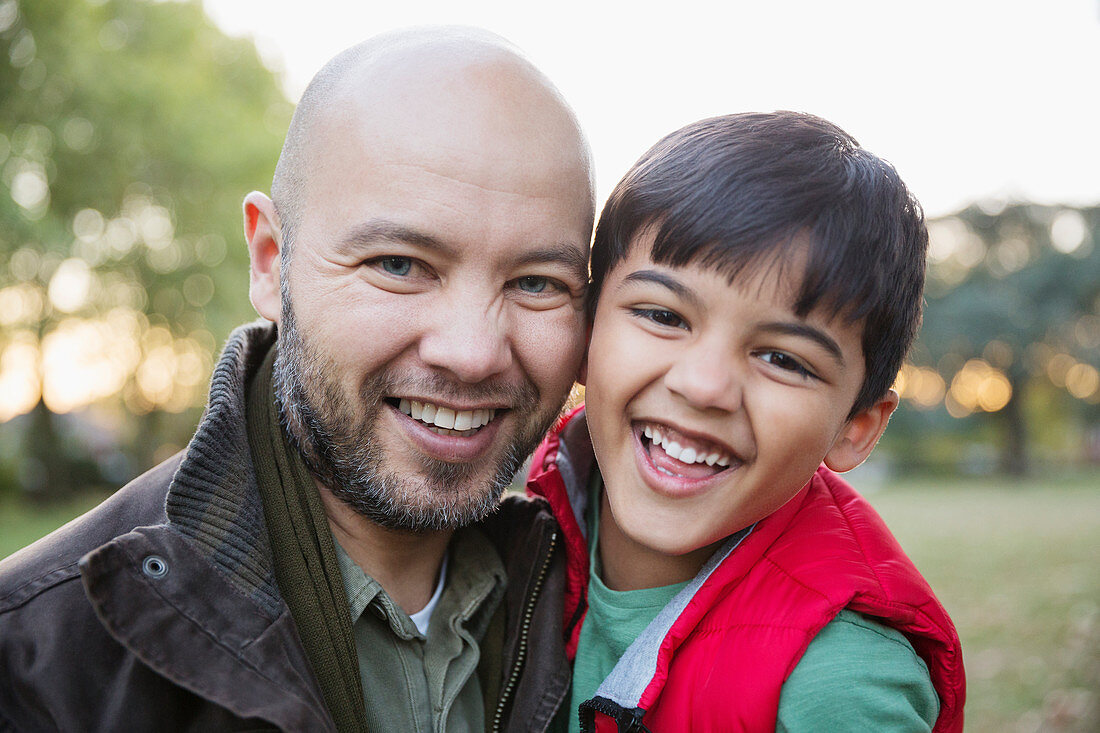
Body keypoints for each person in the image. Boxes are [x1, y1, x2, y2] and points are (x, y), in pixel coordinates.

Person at [0, 27, 595, 732]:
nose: (471, 353)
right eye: (399, 264)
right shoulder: (37, 663)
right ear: (269, 261)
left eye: (536, 282)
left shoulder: (610, 613)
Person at [526, 112, 967, 731]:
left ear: (856, 427)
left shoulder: (839, 684)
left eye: (782, 358)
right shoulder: (505, 529)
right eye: (663, 315)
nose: (704, 386)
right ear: (586, 327)